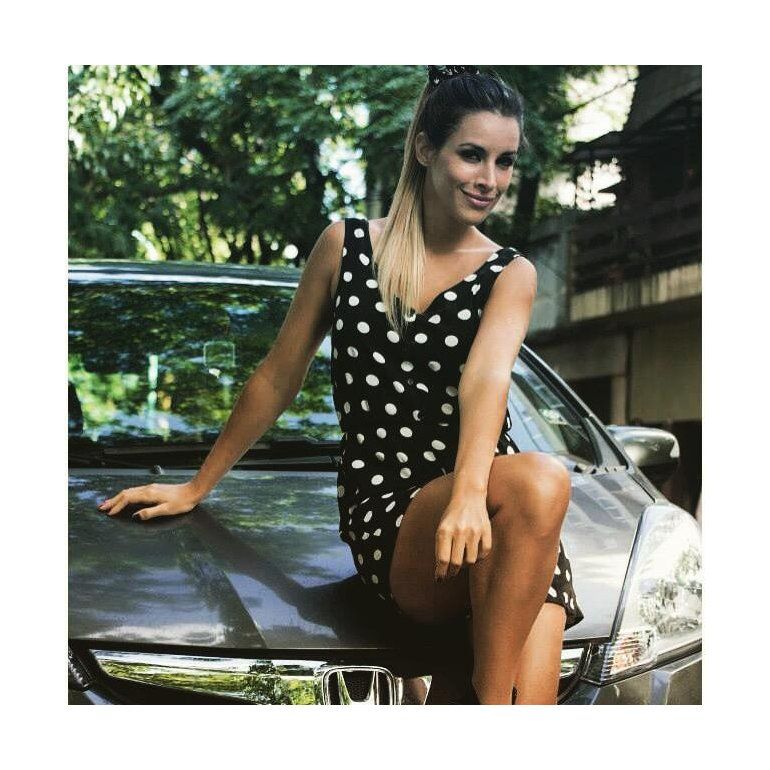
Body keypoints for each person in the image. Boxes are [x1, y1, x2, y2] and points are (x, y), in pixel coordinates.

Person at [98, 65, 584, 705]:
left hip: (494, 512)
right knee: (540, 479)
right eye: (472, 154)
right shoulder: (346, 247)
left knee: (527, 684)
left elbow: (487, 381)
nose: (489, 179)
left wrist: (470, 497)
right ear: (424, 148)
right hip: (396, 510)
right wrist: (197, 485)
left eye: (505, 161)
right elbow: (278, 376)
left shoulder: (508, 273)